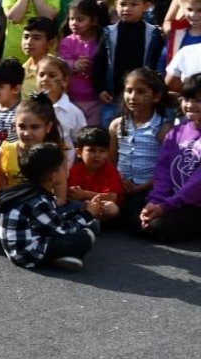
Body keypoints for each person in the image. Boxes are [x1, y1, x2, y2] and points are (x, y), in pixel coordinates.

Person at [0, 141, 100, 270]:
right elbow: (62, 230)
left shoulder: (32, 191)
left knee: (90, 223)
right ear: (53, 175)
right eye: (63, 167)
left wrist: (80, 212)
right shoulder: (38, 201)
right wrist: (87, 214)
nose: (67, 169)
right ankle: (59, 257)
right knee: (85, 236)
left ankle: (65, 257)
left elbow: (54, 219)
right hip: (26, 256)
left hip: (29, 243)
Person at [139, 73, 201, 241]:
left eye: (198, 100)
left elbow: (197, 184)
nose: (189, 105)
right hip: (173, 199)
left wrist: (164, 207)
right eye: (186, 99)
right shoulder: (177, 131)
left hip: (194, 204)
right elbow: (163, 169)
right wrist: (155, 201)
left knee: (158, 227)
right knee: (134, 216)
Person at [109, 67, 170, 227]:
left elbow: (166, 169)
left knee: (137, 218)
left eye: (141, 92)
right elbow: (110, 161)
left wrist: (140, 187)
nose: (133, 97)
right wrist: (119, 180)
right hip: (119, 185)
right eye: (129, 91)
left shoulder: (163, 128)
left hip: (147, 189)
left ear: (156, 97)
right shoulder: (117, 125)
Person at [67, 125, 123, 223]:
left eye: (102, 151)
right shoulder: (75, 170)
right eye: (91, 150)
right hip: (84, 205)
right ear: (79, 152)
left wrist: (85, 194)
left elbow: (112, 197)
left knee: (111, 207)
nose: (97, 155)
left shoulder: (109, 169)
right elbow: (73, 194)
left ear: (107, 152)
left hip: (102, 206)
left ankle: (92, 222)